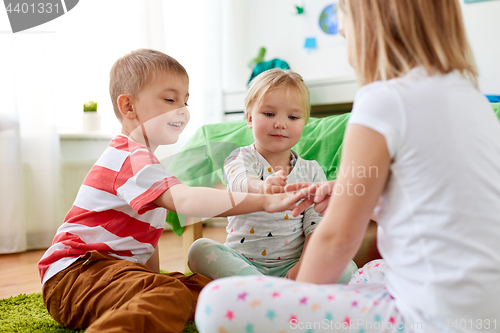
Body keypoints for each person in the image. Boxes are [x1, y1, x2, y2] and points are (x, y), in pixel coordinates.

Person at [194, 0, 500, 332]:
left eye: (345, 31)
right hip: (485, 311)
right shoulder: (472, 99)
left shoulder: (383, 100)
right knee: (371, 271)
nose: (345, 39)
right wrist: (345, 192)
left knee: (216, 305)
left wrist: (294, 303)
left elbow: (337, 238)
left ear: (371, 26)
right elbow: (434, 207)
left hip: (428, 319)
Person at [37, 49, 307, 333]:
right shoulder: (128, 158)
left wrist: (153, 278)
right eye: (170, 99)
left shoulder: (146, 162)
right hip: (75, 274)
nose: (183, 110)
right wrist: (262, 201)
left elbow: (146, 243)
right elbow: (187, 200)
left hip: (113, 273)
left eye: (185, 101)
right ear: (129, 107)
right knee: (171, 295)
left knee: (209, 289)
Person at [187, 69, 357, 281]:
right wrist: (263, 189)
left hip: (294, 267)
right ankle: (267, 288)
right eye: (269, 114)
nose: (280, 123)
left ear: (303, 123)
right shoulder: (239, 157)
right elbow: (241, 183)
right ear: (249, 118)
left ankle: (266, 292)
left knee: (348, 267)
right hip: (243, 263)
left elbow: (316, 224)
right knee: (199, 250)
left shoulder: (312, 170)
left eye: (293, 117)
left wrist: (304, 266)